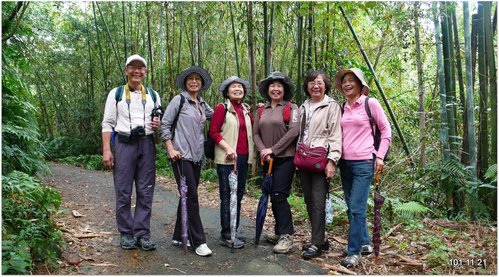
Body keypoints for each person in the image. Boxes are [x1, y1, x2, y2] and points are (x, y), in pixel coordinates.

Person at [102, 54, 161, 251]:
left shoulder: (153, 94)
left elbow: (158, 121)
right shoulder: (116, 93)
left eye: (141, 67)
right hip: (124, 143)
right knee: (123, 189)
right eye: (132, 67)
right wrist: (106, 149)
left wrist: (157, 124)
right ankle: (126, 233)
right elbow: (108, 122)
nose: (137, 70)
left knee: (146, 190)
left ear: (145, 71)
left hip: (147, 143)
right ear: (126, 70)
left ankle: (143, 233)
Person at [334, 68, 391, 268]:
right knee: (352, 207)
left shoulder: (370, 103)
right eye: (344, 81)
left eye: (351, 80)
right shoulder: (343, 107)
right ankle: (365, 243)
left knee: (357, 208)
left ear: (360, 84)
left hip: (364, 162)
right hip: (345, 163)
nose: (347, 84)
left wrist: (380, 156)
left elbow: (386, 130)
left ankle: (353, 252)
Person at [160, 66, 214, 257]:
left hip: (197, 156)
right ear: (185, 82)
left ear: (201, 83)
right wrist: (171, 149)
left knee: (187, 195)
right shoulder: (179, 100)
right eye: (190, 79)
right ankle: (199, 241)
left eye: (197, 79)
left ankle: (178, 235)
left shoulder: (201, 103)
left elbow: (216, 116)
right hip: (181, 156)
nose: (193, 82)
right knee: (191, 196)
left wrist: (237, 107)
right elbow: (165, 124)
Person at [253, 72, 299, 254]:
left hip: (285, 158)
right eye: (272, 86)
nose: (276, 88)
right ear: (267, 89)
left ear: (284, 89)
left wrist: (273, 150)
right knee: (272, 193)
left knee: (280, 195)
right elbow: (255, 133)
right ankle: (279, 231)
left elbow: (294, 131)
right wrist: (263, 150)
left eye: (279, 86)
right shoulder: (261, 110)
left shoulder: (291, 108)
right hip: (267, 159)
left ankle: (287, 235)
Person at [297, 70, 342, 259]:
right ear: (307, 86)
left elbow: (336, 135)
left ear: (325, 86)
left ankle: (316, 244)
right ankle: (321, 240)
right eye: (312, 82)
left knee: (318, 201)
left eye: (320, 82)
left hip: (320, 159)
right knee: (309, 199)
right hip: (303, 158)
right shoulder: (303, 106)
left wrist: (332, 161)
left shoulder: (331, 106)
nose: (316, 86)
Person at [209, 76, 254, 249]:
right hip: (227, 159)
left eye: (240, 87)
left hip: (243, 158)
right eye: (233, 87)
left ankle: (234, 228)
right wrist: (227, 148)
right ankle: (226, 234)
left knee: (239, 195)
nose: (237, 89)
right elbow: (213, 131)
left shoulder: (244, 109)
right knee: (227, 196)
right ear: (227, 92)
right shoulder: (222, 108)